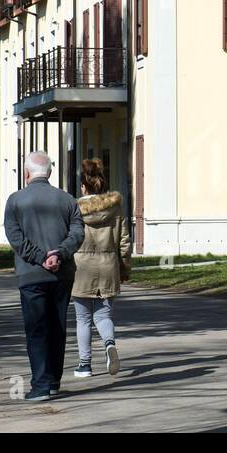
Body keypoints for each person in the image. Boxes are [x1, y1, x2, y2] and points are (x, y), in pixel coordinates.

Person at [3, 151, 83, 402]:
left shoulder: (15, 200)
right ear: (49, 172)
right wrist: (59, 254)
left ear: (27, 173)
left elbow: (15, 238)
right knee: (57, 327)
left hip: (31, 275)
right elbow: (78, 233)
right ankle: (53, 381)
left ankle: (40, 385)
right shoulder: (68, 200)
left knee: (37, 329)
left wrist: (40, 258)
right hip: (62, 275)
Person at [71, 158, 131, 379]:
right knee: (103, 316)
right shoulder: (115, 207)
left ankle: (84, 365)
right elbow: (124, 240)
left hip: (81, 268)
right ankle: (109, 344)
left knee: (83, 319)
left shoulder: (74, 208)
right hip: (108, 266)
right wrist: (124, 268)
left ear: (83, 186)